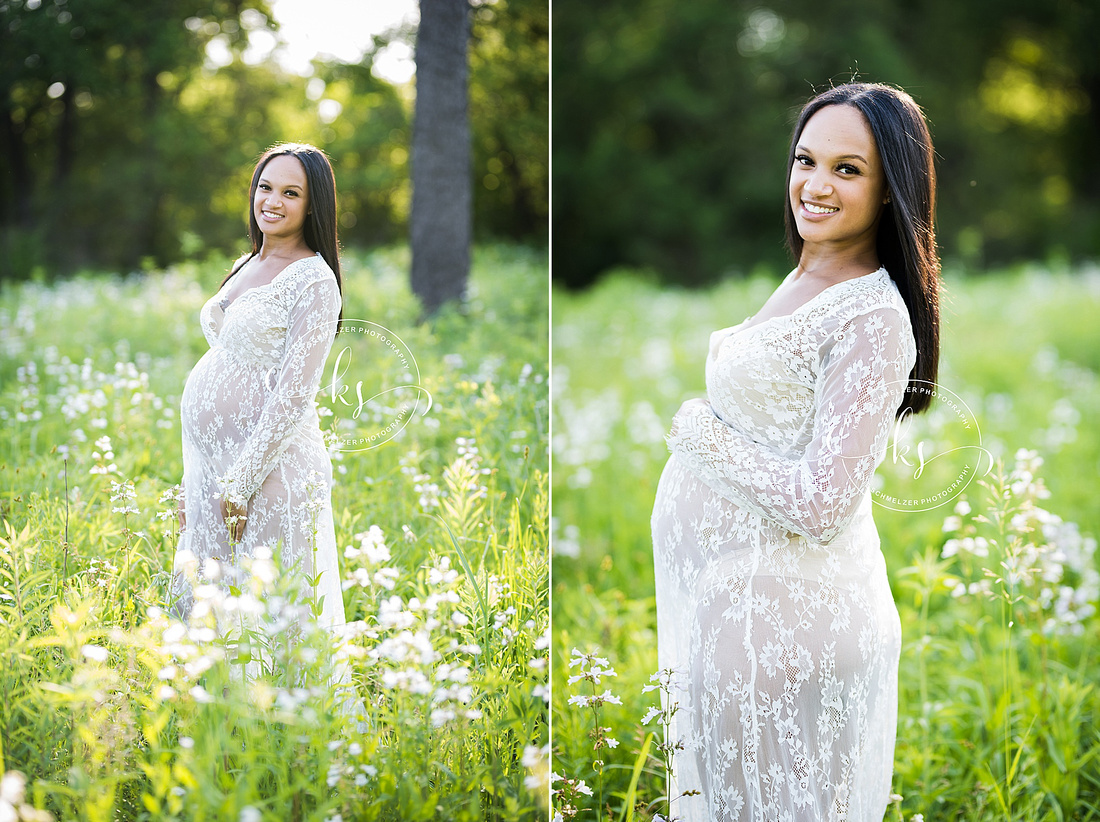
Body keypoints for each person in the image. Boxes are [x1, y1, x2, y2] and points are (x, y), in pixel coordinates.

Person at [651, 82, 940, 821]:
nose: (815, 185)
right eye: (806, 160)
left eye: (848, 170)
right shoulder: (813, 273)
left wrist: (697, 430)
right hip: (742, 615)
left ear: (888, 192)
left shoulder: (873, 316)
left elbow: (822, 505)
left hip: (786, 630)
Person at [170, 143, 347, 638]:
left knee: (262, 611)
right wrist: (197, 480)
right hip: (213, 466)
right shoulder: (247, 262)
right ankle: (210, 712)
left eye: (291, 192)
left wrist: (240, 484)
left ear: (313, 205)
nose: (273, 200)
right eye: (266, 187)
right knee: (210, 599)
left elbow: (295, 395)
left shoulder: (315, 281)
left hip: (269, 470)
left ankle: (271, 716)